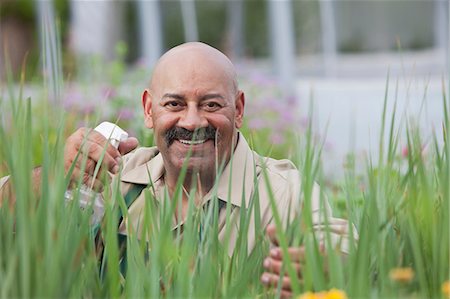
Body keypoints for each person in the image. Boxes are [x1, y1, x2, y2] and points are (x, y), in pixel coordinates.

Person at [0, 42, 355, 298]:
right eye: (174, 103)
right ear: (148, 109)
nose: (192, 120)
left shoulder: (283, 190)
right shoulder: (111, 178)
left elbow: (343, 246)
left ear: (240, 108)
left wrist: (327, 267)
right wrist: (52, 176)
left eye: (211, 104)